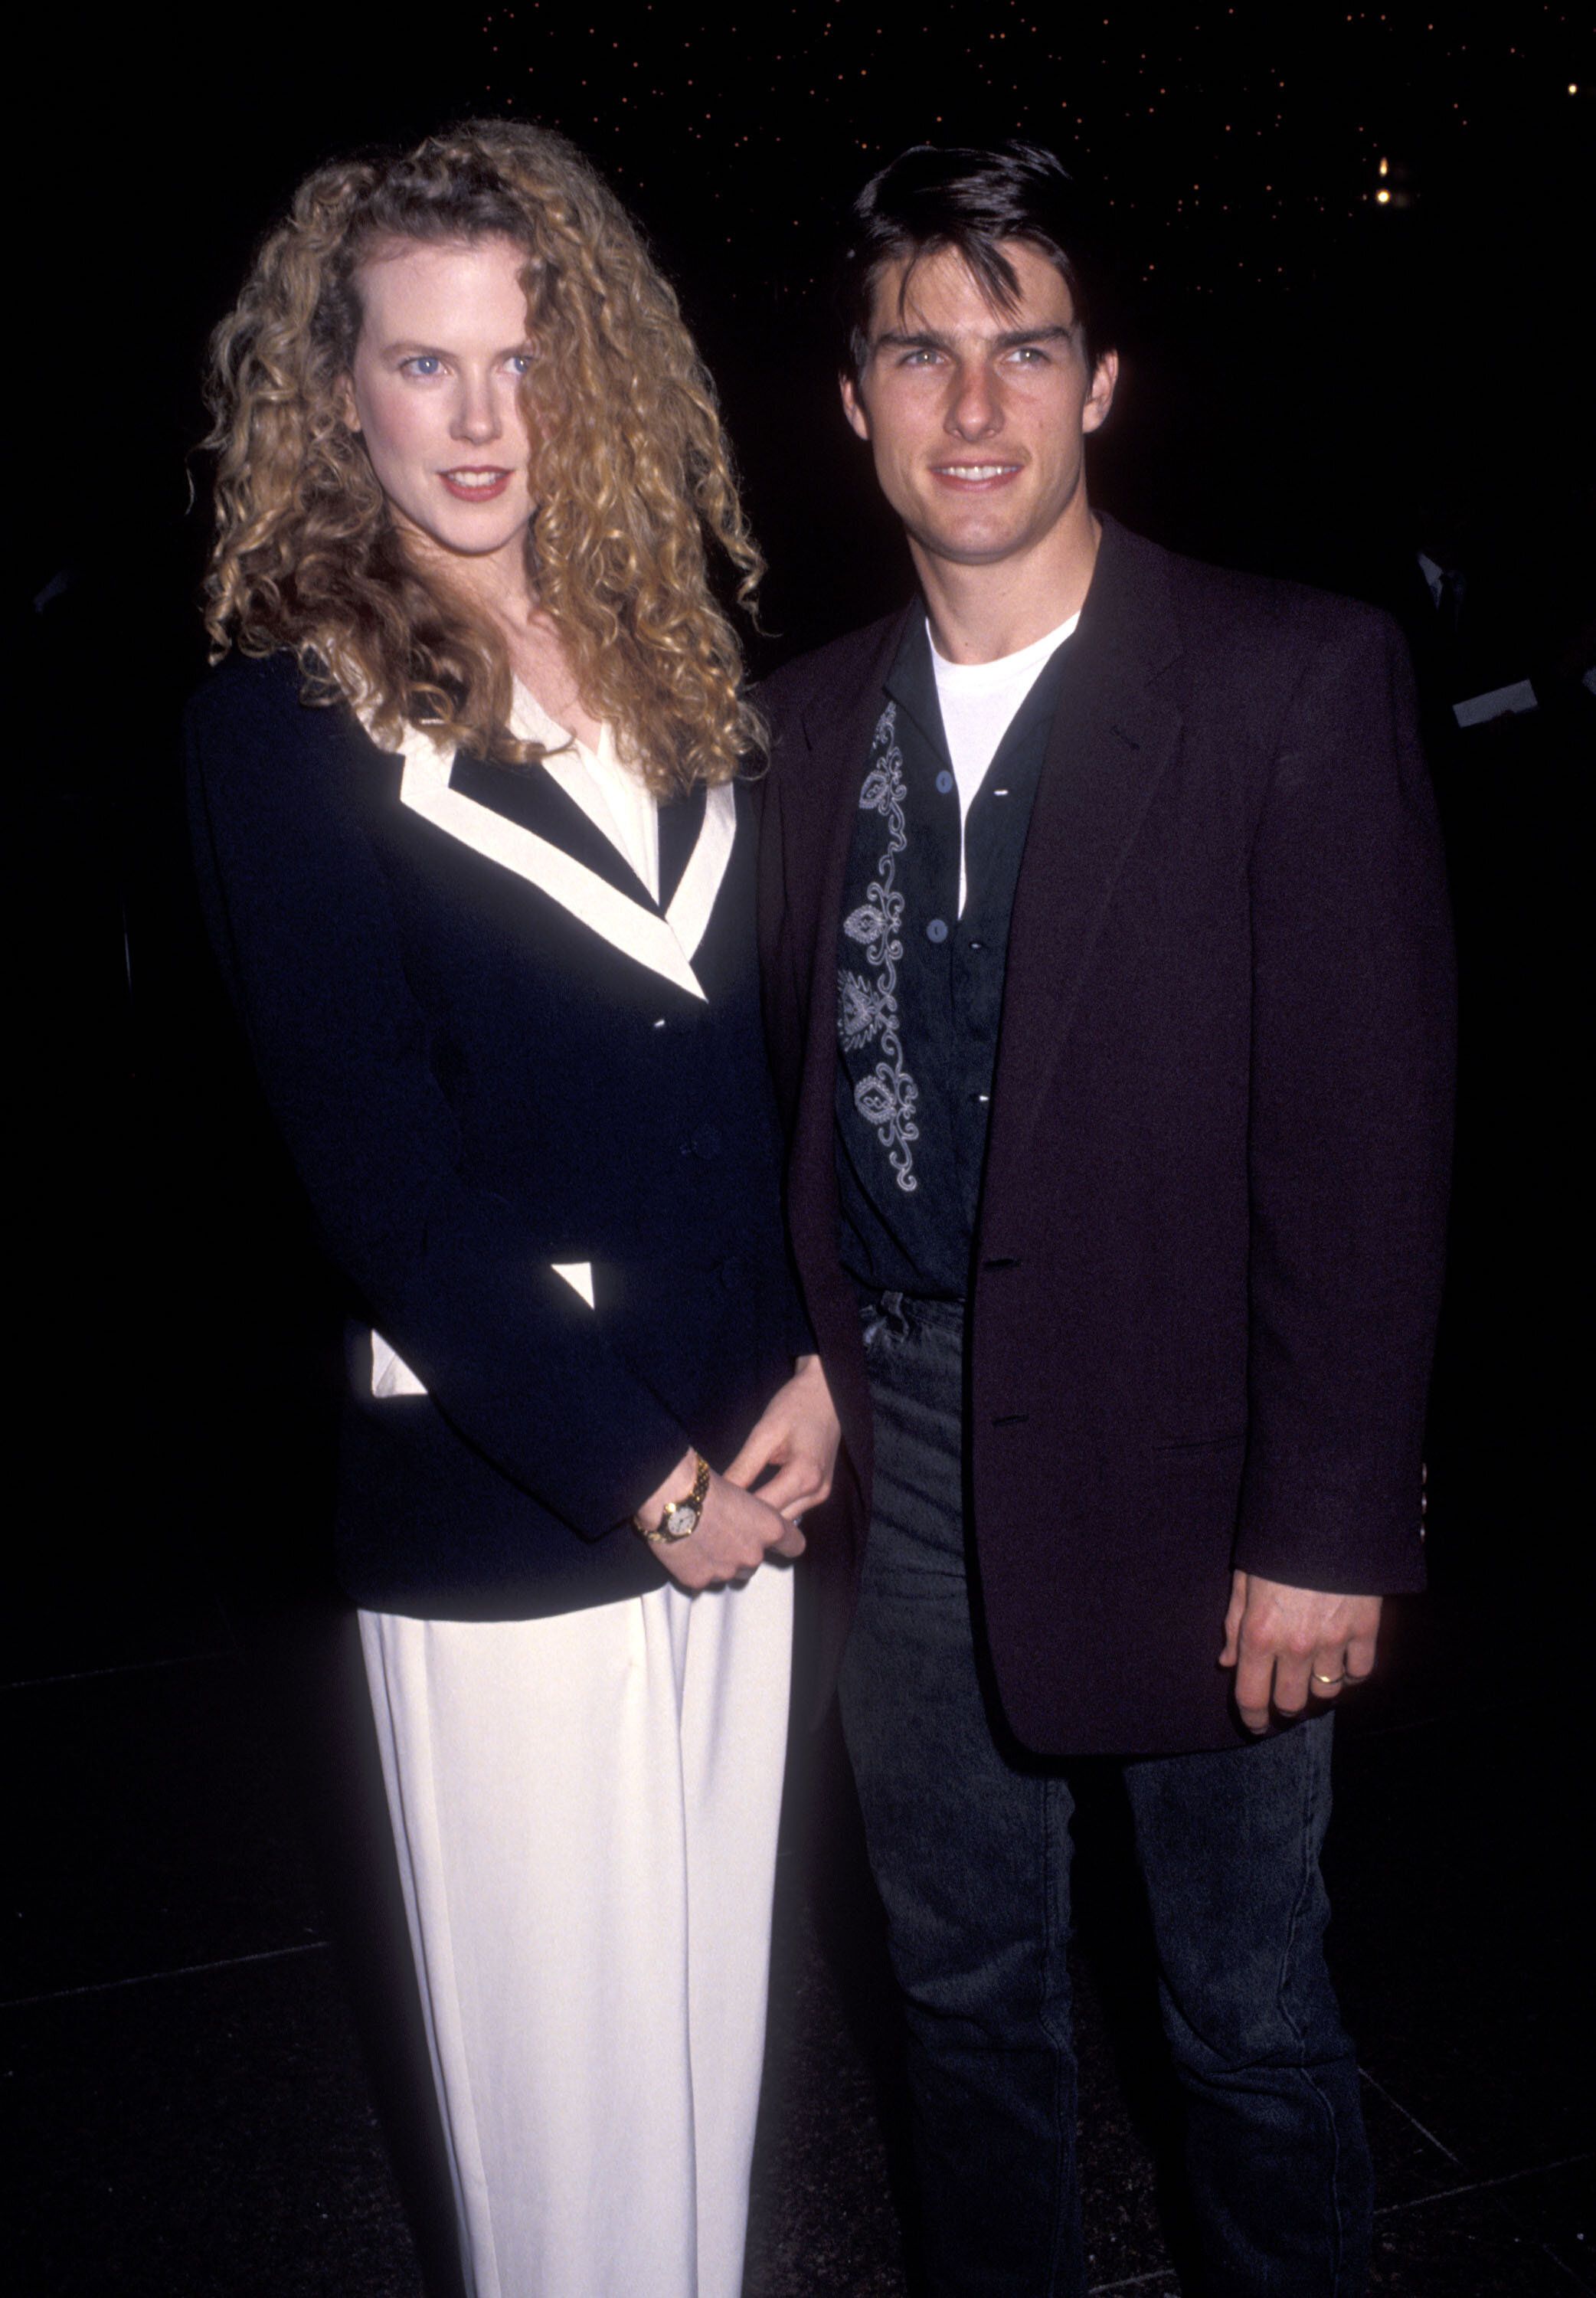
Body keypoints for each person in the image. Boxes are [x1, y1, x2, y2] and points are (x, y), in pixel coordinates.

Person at [756, 143, 1454, 2297]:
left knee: (1243, 2027)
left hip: (1194, 1448)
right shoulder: (793, 730)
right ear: (851, 400)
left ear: (1102, 383)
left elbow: (1367, 1130)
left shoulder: (1283, 680)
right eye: (920, 352)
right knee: (964, 2020)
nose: (974, 408)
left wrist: (1329, 1512)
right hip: (906, 1448)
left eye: (1023, 348)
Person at [187, 119, 839, 2298]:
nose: (479, 425)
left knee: (700, 2078)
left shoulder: (676, 655)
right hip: (514, 1467)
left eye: (520, 364)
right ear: (335, 389)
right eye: (422, 366)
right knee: (564, 2138)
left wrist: (817, 1364)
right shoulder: (282, 724)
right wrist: (640, 1478)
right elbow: (375, 1179)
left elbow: (770, 1064)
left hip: (750, 1440)